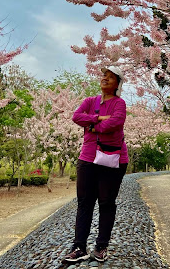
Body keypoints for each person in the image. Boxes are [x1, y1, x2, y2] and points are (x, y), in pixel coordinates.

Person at [62, 66, 128, 264]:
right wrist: (97, 118)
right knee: (84, 202)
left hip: (113, 158)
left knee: (106, 203)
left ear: (118, 84)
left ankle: (101, 246)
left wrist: (90, 126)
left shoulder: (120, 103)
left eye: (110, 77)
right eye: (104, 76)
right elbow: (76, 117)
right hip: (88, 158)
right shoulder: (90, 102)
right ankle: (79, 247)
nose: (105, 79)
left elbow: (115, 123)